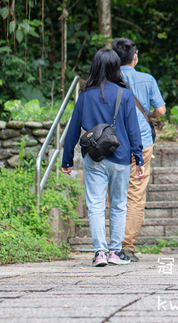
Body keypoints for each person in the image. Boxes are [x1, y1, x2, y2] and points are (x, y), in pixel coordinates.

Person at [61, 48, 143, 268]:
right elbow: (133, 129)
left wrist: (66, 160)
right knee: (118, 205)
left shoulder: (85, 95)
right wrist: (139, 157)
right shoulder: (124, 94)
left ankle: (100, 252)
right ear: (116, 67)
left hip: (94, 157)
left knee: (96, 205)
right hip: (121, 156)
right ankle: (115, 252)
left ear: (95, 67)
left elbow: (72, 130)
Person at [113, 37, 166, 263]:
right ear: (135, 57)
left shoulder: (107, 79)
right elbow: (161, 110)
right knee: (135, 196)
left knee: (115, 194)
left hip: (113, 144)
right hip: (142, 144)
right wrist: (148, 115)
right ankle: (127, 247)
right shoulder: (147, 79)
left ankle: (111, 244)